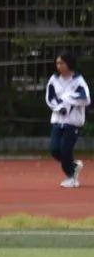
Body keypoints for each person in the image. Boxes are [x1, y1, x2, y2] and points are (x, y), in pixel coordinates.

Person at [46, 51, 89, 188]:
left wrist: (69, 100)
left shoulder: (79, 81)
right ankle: (73, 166)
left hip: (73, 123)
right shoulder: (53, 79)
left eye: (61, 63)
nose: (58, 66)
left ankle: (72, 176)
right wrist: (59, 107)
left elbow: (85, 99)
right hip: (57, 121)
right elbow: (49, 97)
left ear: (69, 64)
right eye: (57, 63)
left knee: (66, 150)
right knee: (54, 149)